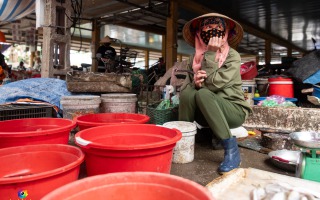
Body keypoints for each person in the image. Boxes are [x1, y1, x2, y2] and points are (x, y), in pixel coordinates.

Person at [179, 13, 252, 174]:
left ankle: (231, 150)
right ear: (199, 33)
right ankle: (184, 141)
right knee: (189, 93)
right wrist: (195, 83)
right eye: (208, 28)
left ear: (225, 33)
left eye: (218, 28)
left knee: (203, 93)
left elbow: (213, 85)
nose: (213, 31)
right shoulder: (194, 57)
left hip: (233, 110)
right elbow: (184, 91)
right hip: (207, 111)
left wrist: (211, 53)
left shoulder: (232, 56)